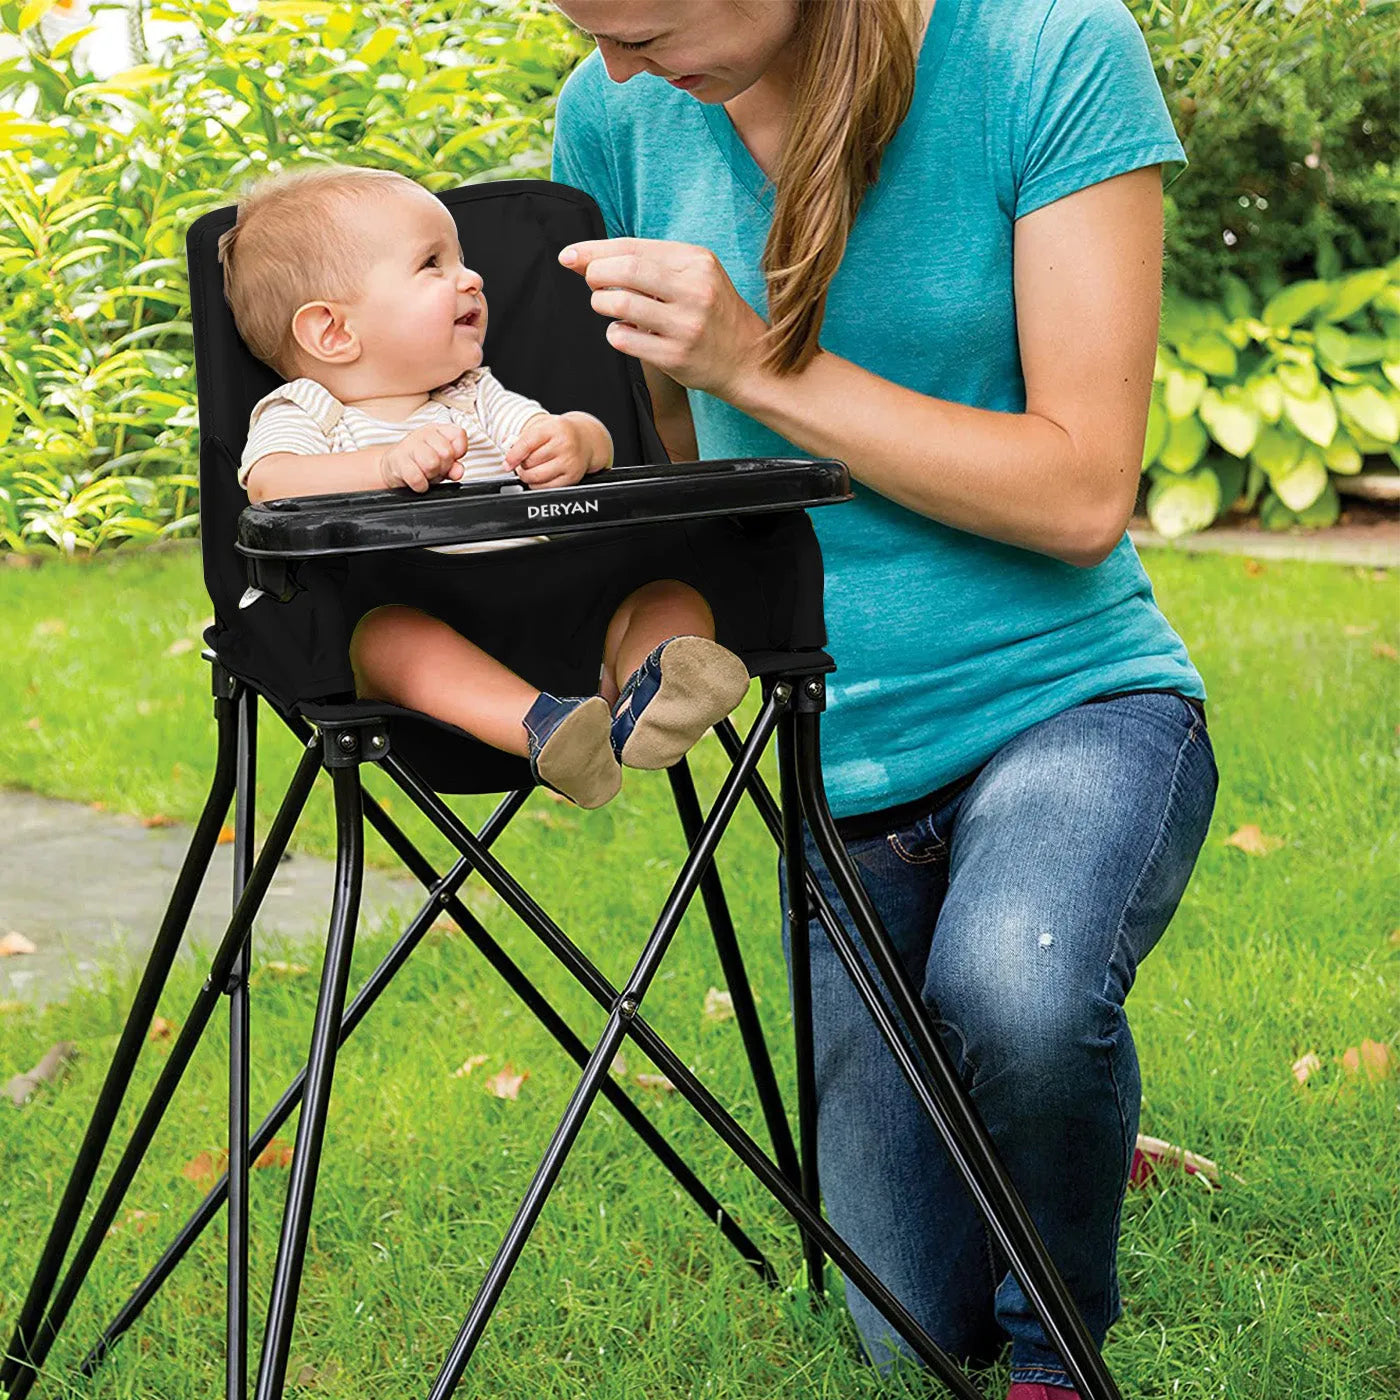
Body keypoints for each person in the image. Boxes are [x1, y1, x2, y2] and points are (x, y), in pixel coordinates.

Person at [547, 1, 1219, 1396]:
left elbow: (1082, 490)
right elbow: (664, 460)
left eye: (643, 25)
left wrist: (757, 363)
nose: (615, 67)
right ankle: (1058, 1117)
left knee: (1017, 990)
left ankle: (1056, 1354)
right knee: (911, 1311)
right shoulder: (614, 112)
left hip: (1069, 695)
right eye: (588, 28)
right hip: (833, 754)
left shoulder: (1047, 48)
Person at [218, 163, 751, 808]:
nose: (471, 277)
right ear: (334, 332)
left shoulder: (476, 395)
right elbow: (273, 484)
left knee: (668, 592)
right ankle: (547, 730)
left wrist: (579, 440)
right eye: (432, 264)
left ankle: (654, 686)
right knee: (385, 639)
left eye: (462, 260)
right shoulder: (308, 409)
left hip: (564, 596)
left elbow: (561, 431)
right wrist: (385, 466)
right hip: (426, 610)